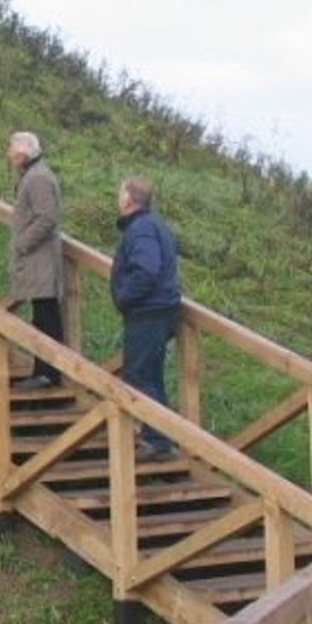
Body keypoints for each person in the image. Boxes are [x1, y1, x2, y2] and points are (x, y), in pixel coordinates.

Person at [111, 175, 182, 459]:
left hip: (148, 311)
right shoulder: (152, 225)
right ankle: (160, 438)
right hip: (158, 309)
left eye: (120, 194)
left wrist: (124, 296)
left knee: (139, 374)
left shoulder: (140, 229)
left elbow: (147, 270)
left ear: (128, 199)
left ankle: (157, 439)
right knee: (150, 376)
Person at [5, 131, 65, 389]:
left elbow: (46, 217)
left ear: (21, 153)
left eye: (10, 149)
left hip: (41, 259)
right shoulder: (35, 174)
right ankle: (43, 370)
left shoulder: (37, 177)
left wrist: (22, 243)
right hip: (38, 260)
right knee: (43, 316)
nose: (8, 154)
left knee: (46, 317)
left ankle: (48, 373)